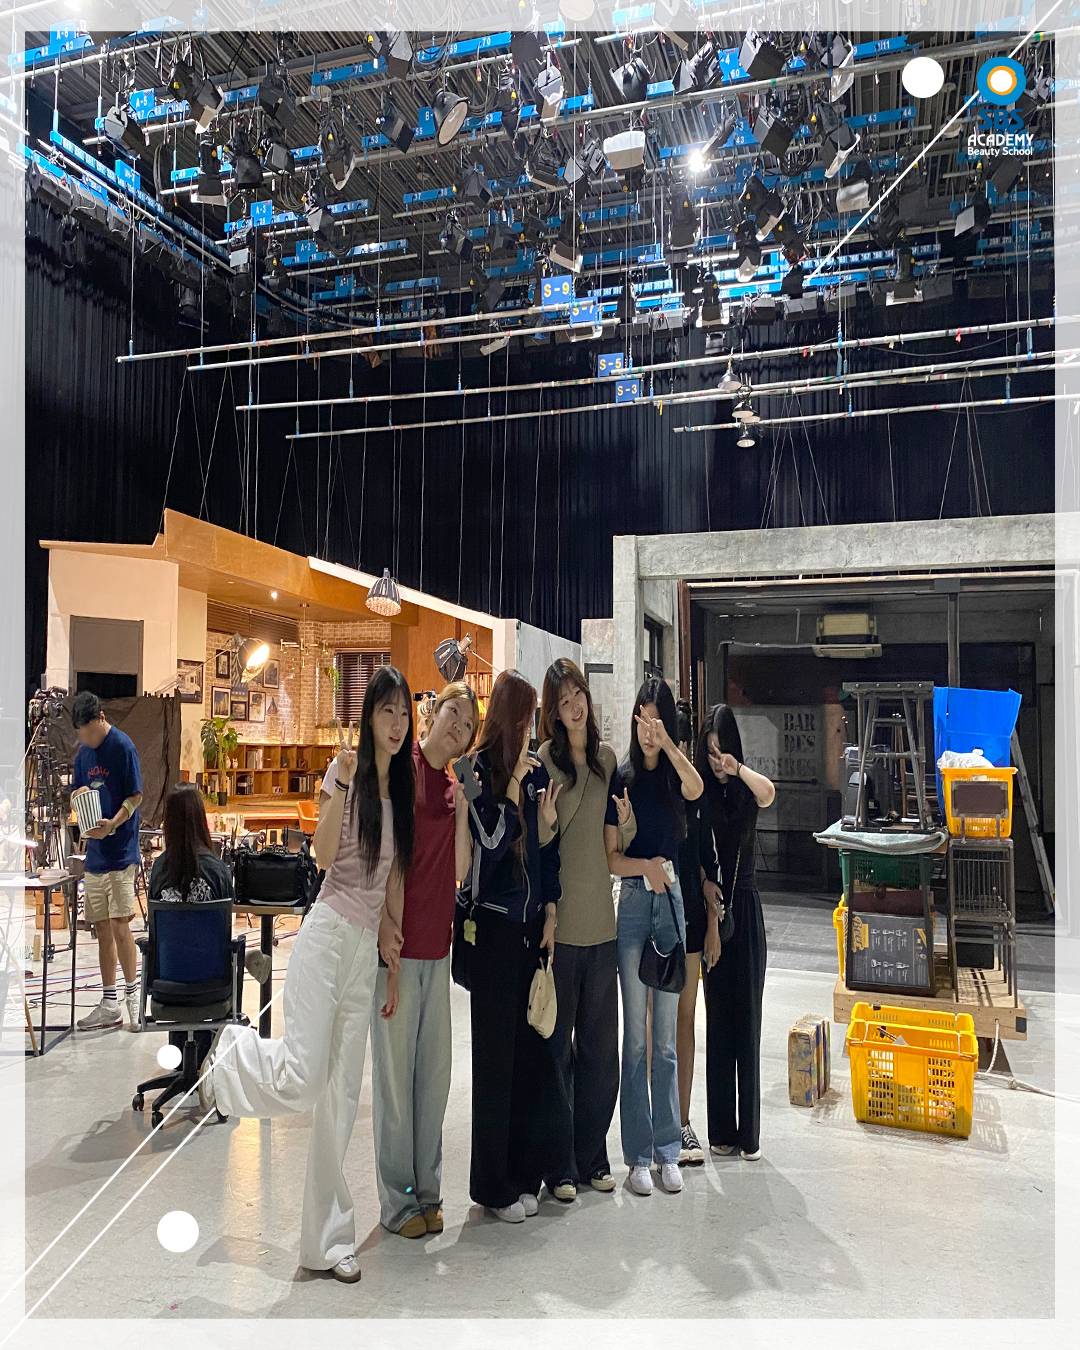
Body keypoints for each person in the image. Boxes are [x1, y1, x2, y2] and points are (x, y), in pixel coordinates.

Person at [204, 666, 415, 1283]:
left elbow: (391, 884)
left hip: (364, 953)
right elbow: (322, 856)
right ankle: (231, 1052)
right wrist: (342, 784)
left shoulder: (400, 792)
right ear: (368, 716)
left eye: (404, 713)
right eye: (387, 711)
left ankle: (328, 1242)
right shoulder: (343, 774)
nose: (397, 724)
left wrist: (392, 961)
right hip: (325, 938)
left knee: (341, 1100)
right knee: (303, 1079)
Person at [371, 681, 478, 1239]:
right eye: (453, 713)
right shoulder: (402, 767)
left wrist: (463, 809)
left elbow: (459, 869)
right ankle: (398, 1202)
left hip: (438, 948)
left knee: (432, 1080)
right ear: (433, 713)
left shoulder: (452, 787)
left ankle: (428, 1192)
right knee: (395, 1083)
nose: (458, 726)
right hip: (397, 949)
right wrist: (383, 926)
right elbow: (382, 854)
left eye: (468, 726)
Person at [463, 668, 565, 1224]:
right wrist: (508, 792)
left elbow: (545, 850)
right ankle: (492, 1185)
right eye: (525, 718)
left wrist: (550, 907)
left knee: (529, 1058)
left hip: (529, 929)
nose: (531, 729)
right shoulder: (475, 772)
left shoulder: (533, 772)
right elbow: (491, 843)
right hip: (493, 931)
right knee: (494, 1063)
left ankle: (525, 1175)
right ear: (509, 717)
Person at [537, 658, 634, 1199]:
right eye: (564, 699)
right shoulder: (544, 762)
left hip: (602, 926)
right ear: (553, 711)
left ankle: (593, 1155)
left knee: (601, 1054)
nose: (574, 705)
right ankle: (559, 1164)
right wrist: (548, 820)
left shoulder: (607, 760)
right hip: (561, 929)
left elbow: (614, 840)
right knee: (557, 1054)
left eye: (578, 694)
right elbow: (542, 843)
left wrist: (628, 820)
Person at [604, 678, 703, 1197]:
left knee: (665, 1039)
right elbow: (610, 858)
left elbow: (698, 788)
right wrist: (643, 866)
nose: (648, 729)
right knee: (636, 1039)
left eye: (656, 720)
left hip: (671, 902)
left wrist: (669, 745)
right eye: (642, 719)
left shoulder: (672, 776)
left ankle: (667, 1150)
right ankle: (637, 1155)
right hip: (635, 903)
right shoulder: (621, 778)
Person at [696, 703, 775, 1162]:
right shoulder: (700, 794)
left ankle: (750, 1135)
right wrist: (711, 913)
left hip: (744, 908)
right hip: (713, 908)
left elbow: (769, 794)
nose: (715, 759)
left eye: (721, 749)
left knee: (748, 1022)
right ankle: (721, 1130)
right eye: (709, 751)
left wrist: (737, 767)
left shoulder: (745, 791)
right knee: (719, 1023)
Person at [71, 692, 144, 1033]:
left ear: (101, 718)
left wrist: (113, 823)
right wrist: (77, 798)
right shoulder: (83, 754)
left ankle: (133, 995)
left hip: (121, 851)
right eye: (81, 734)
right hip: (95, 855)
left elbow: (136, 795)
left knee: (119, 924)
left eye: (90, 731)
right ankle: (109, 1001)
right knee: (100, 927)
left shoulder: (123, 746)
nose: (87, 739)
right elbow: (77, 790)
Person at [148, 783, 272, 983]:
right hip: (213, 982)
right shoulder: (218, 870)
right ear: (201, 819)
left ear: (168, 822)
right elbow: (225, 921)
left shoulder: (159, 869)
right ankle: (242, 958)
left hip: (167, 979)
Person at [673, 701, 718, 1168]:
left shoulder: (696, 791)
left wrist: (711, 919)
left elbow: (706, 859)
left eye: (683, 741)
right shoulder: (643, 782)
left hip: (688, 914)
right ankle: (658, 1122)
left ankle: (682, 1121)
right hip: (652, 918)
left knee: (685, 1020)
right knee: (653, 1026)